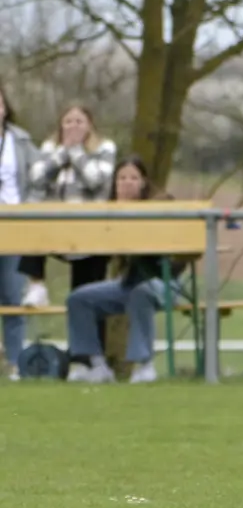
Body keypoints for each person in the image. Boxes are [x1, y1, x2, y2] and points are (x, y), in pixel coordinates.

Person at [64, 157, 180, 384]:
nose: (127, 183)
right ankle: (96, 365)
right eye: (122, 178)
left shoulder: (159, 206)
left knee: (140, 293)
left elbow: (175, 256)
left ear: (143, 182)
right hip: (128, 282)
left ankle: (144, 366)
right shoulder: (110, 213)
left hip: (163, 282)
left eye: (133, 178)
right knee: (78, 299)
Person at [19, 103, 117, 308]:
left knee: (84, 298)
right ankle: (36, 284)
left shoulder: (105, 147)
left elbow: (95, 180)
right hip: (56, 224)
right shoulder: (50, 147)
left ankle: (86, 325)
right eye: (68, 122)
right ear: (61, 125)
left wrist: (76, 151)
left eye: (79, 122)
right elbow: (37, 178)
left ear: (89, 125)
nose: (73, 126)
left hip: (89, 228)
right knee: (33, 223)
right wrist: (63, 152)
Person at [0, 79, 37, 380]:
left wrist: (29, 210)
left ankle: (15, 363)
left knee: (13, 295)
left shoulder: (21, 141)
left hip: (14, 224)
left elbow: (38, 178)